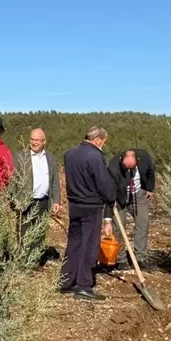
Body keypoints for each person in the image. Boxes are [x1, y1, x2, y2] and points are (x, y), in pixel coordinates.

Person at [60, 127, 117, 301]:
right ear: (98, 139)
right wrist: (111, 197)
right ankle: (83, 285)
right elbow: (103, 183)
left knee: (74, 243)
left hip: (74, 204)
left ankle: (66, 281)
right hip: (91, 206)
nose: (103, 145)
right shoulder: (95, 156)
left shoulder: (69, 154)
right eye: (104, 142)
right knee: (89, 245)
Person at [12, 127, 61, 258]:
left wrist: (56, 200)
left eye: (37, 140)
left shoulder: (50, 158)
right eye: (32, 139)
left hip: (44, 201)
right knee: (24, 232)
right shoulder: (21, 156)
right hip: (25, 201)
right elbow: (13, 179)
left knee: (39, 231)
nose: (34, 142)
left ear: (44, 141)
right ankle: (22, 261)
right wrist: (14, 198)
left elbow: (55, 180)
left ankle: (35, 260)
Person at [107, 147, 155, 271]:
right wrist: (109, 212)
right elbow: (109, 191)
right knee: (118, 227)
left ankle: (140, 258)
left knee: (143, 223)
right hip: (120, 197)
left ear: (137, 162)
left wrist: (149, 188)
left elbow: (151, 171)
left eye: (131, 168)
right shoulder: (113, 167)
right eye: (126, 168)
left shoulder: (144, 157)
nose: (128, 170)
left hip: (138, 195)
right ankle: (121, 259)